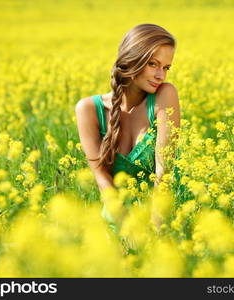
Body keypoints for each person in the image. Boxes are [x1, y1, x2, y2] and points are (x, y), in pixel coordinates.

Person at [75, 23, 180, 228]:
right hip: (116, 222)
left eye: (166, 67)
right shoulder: (87, 109)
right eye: (153, 64)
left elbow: (164, 172)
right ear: (132, 60)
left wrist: (154, 229)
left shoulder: (164, 96)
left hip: (161, 220)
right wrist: (129, 233)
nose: (161, 75)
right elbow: (102, 179)